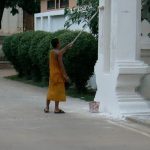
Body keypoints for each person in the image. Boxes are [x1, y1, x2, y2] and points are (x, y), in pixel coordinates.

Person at [44, 38, 73, 113]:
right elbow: (61, 65)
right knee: (57, 91)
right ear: (57, 44)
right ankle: (56, 109)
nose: (60, 43)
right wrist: (65, 76)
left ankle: (47, 107)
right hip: (58, 75)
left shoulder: (51, 52)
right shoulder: (58, 53)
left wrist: (67, 47)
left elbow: (60, 52)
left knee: (51, 90)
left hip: (52, 74)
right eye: (59, 42)